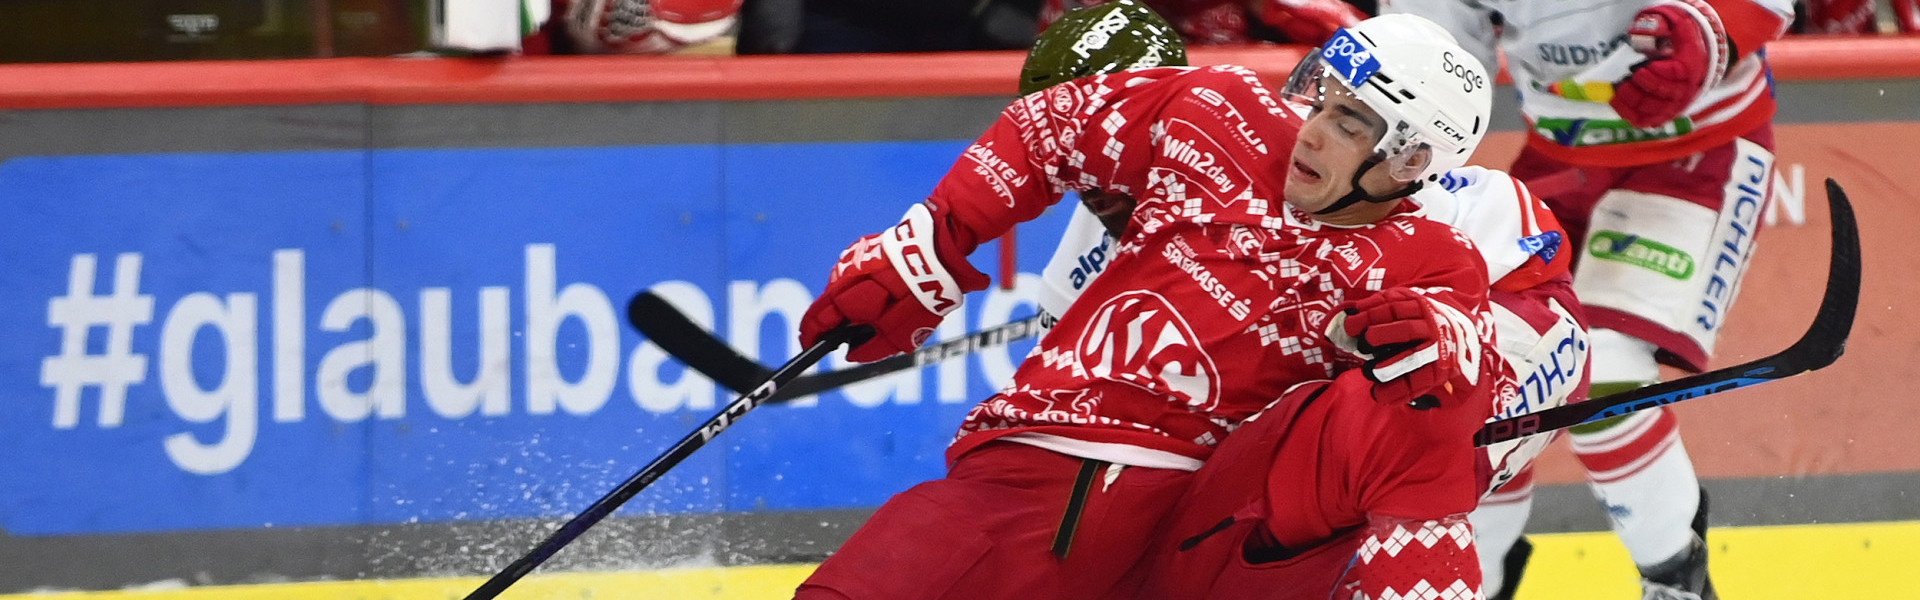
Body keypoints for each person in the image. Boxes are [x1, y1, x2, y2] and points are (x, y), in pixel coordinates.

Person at [790, 12, 1510, 600]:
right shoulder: (1218, 109)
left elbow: (1463, 403)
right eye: (1319, 95)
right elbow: (1047, 126)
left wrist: (1451, 346)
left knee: (1420, 388)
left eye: (1351, 122)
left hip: (1210, 530)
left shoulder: (1433, 258)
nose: (1314, 129)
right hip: (1028, 477)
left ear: (1411, 162)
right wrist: (929, 239)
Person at [1379, 1, 1794, 598]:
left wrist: (1715, 28)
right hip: (1554, 155)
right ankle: (1471, 584)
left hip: (1699, 151)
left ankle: (1677, 579)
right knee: (1470, 377)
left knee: (1607, 372)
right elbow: (1439, 63)